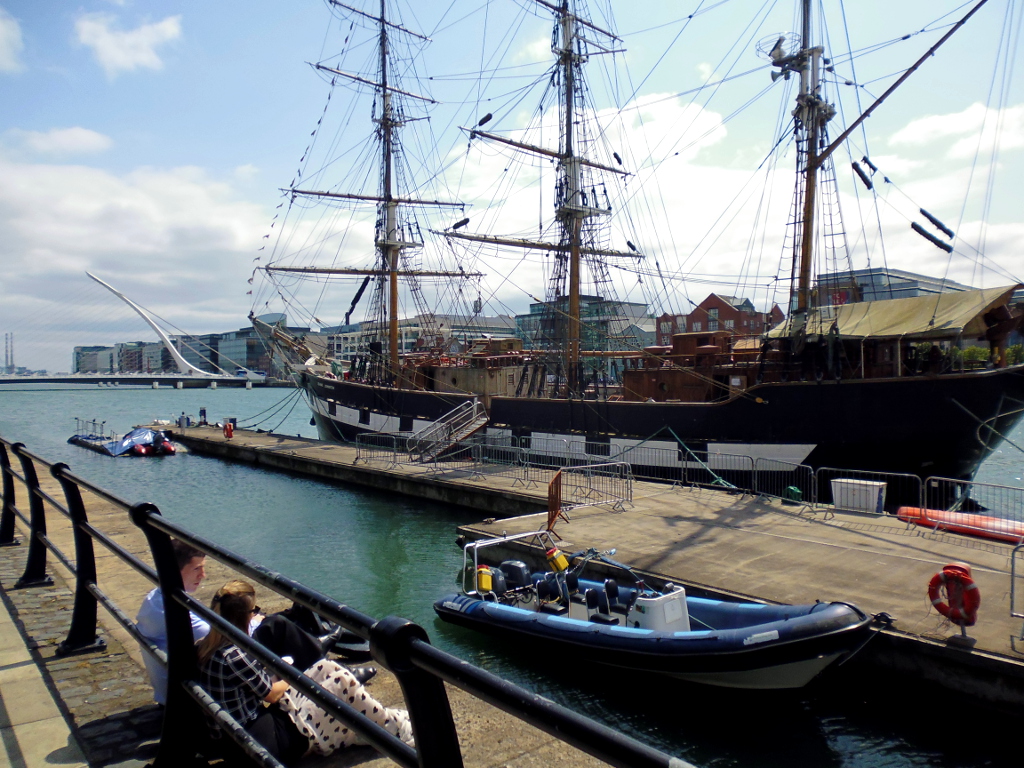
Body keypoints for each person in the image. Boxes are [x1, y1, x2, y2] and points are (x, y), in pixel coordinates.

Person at [198, 580, 413, 765]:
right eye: (255, 611)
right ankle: (390, 729)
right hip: (262, 744)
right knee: (339, 681)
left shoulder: (207, 645)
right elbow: (272, 694)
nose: (257, 615)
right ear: (244, 617)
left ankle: (381, 725)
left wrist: (286, 676)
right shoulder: (235, 654)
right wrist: (289, 672)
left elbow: (255, 687)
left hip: (240, 737)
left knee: (326, 669)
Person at [136, 539, 210, 705]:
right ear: (176, 571)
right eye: (197, 568)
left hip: (166, 694)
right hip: (185, 699)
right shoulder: (180, 614)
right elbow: (216, 637)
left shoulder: (153, 598)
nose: (203, 575)